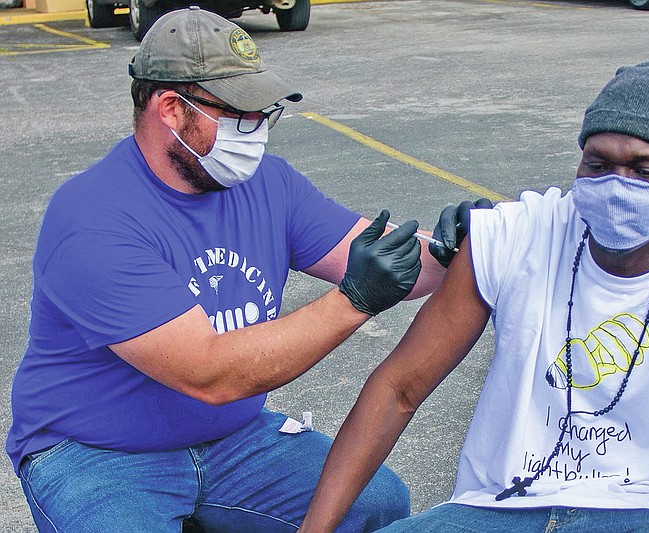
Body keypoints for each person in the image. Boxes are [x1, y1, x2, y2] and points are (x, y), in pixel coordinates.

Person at [5, 7, 487, 532]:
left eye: (264, 112)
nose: (256, 130)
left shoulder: (266, 184)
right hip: (96, 452)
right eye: (240, 113)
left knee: (374, 501)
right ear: (171, 107)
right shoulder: (94, 219)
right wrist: (353, 301)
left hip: (231, 440)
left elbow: (373, 257)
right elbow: (210, 375)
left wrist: (457, 250)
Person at [298, 57, 649, 533]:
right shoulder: (513, 234)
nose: (617, 185)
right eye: (598, 164)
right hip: (497, 509)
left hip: (644, 512)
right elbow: (398, 389)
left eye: (645, 169)